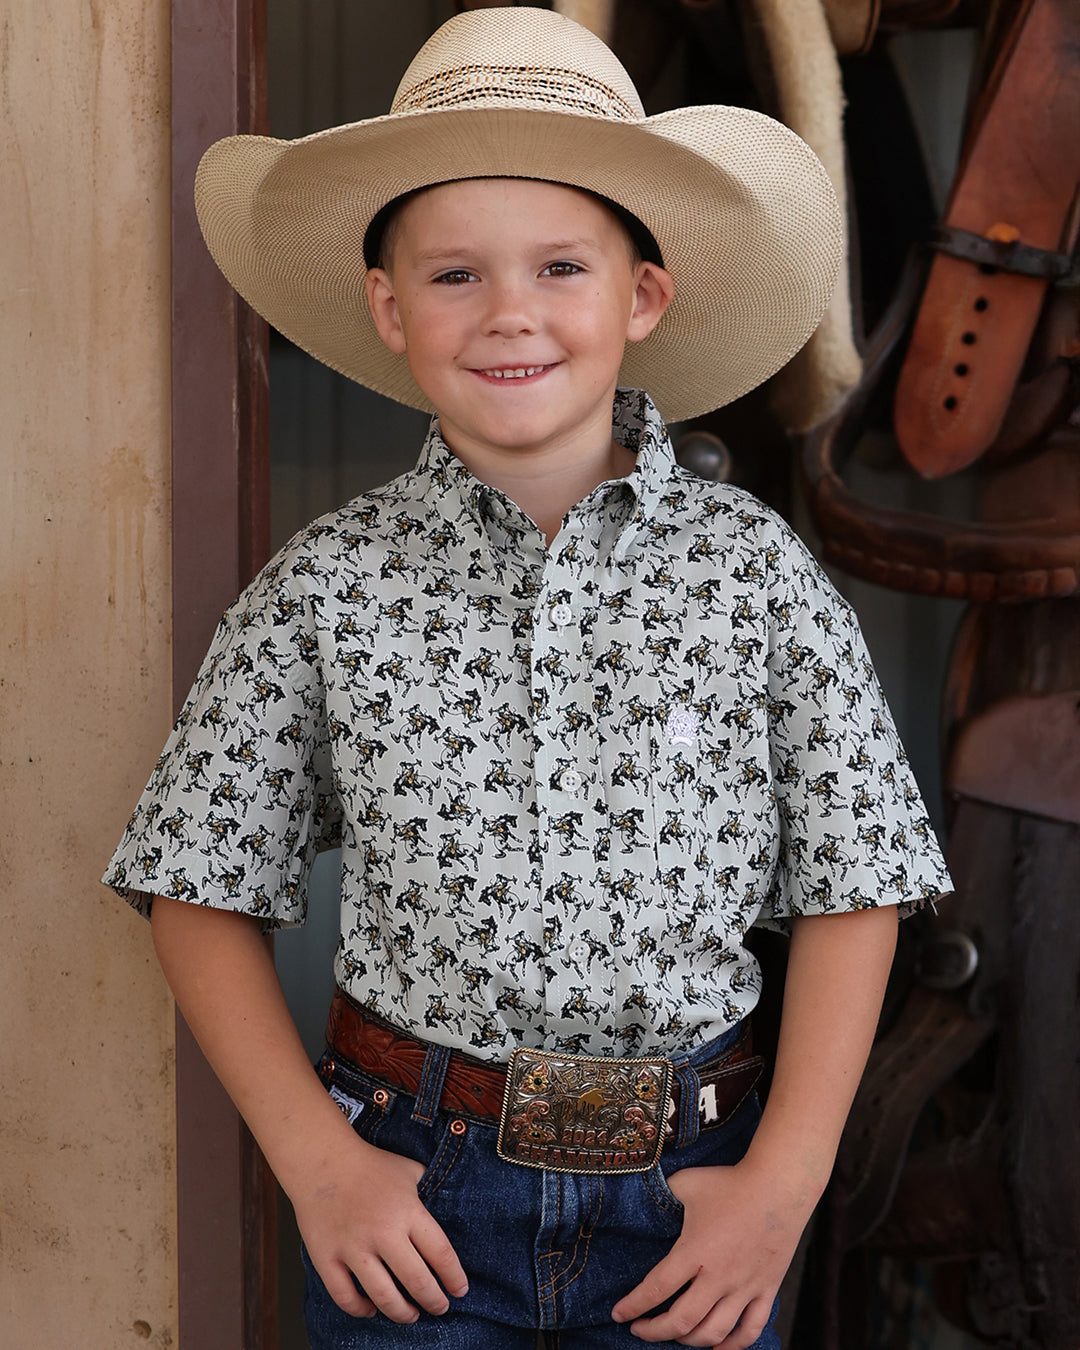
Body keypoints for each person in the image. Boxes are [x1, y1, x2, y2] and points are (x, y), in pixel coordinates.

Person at [104, 8, 952, 1348]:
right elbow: (192, 880)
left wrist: (783, 1187)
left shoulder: (756, 578)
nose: (511, 312)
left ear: (643, 295)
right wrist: (318, 1164)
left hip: (695, 1197)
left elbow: (859, 884)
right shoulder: (327, 585)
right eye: (454, 276)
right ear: (388, 306)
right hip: (419, 1204)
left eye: (562, 264)